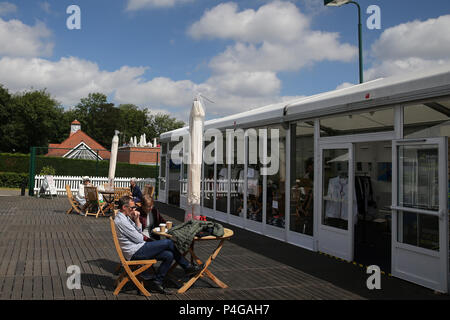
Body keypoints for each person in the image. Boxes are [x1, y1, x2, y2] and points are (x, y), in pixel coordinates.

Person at [114, 195, 202, 294]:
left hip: (138, 247)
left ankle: (157, 281)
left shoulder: (126, 217)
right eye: (132, 207)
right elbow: (139, 238)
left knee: (169, 255)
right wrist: (138, 230)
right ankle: (187, 267)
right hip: (135, 252)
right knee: (169, 242)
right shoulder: (122, 221)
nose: (134, 209)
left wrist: (137, 219)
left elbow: (138, 231)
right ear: (124, 207)